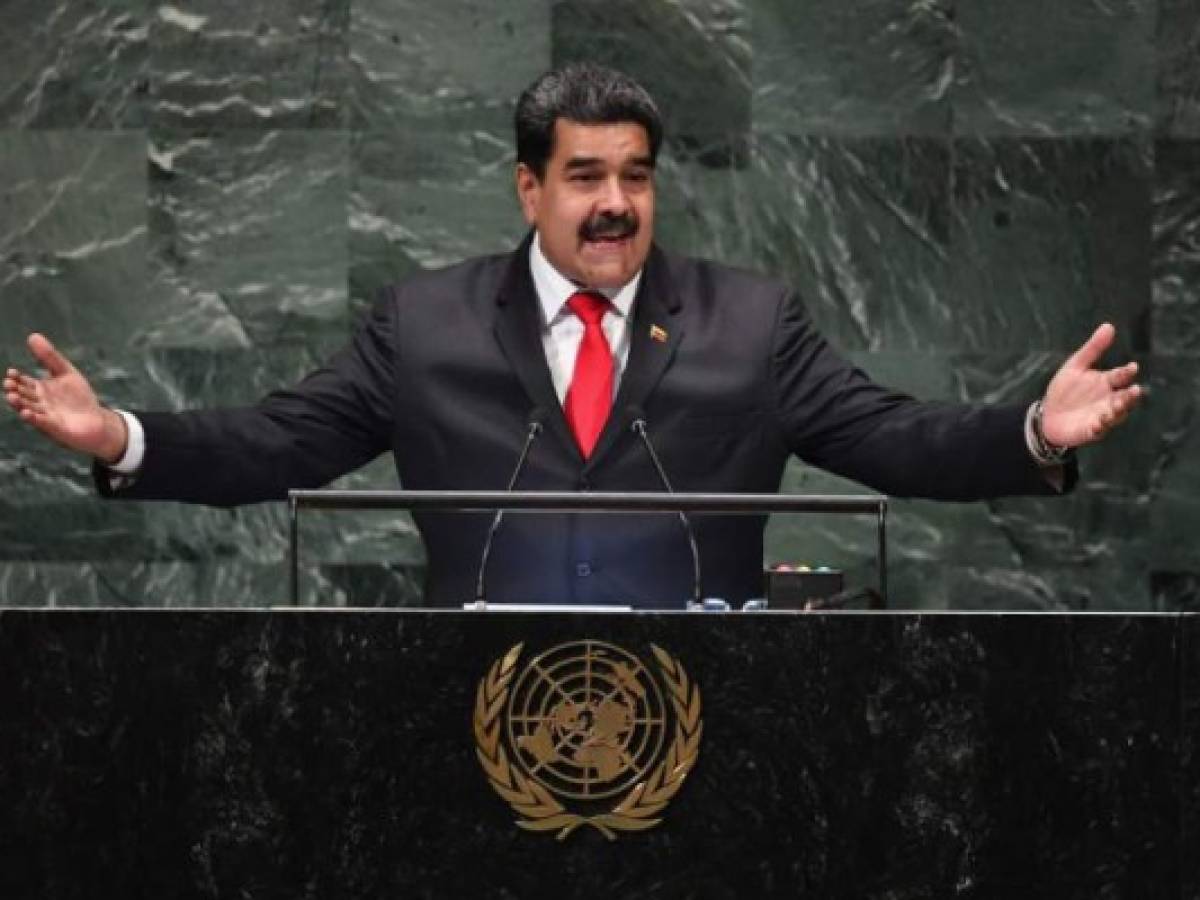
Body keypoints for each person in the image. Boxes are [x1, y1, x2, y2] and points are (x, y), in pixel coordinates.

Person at [4, 63, 1142, 608]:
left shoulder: (752, 320)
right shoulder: (426, 322)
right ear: (528, 189)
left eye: (636, 178)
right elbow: (278, 447)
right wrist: (123, 440)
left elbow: (895, 443)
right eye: (585, 175)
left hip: (709, 732)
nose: (615, 203)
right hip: (470, 720)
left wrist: (1033, 435)